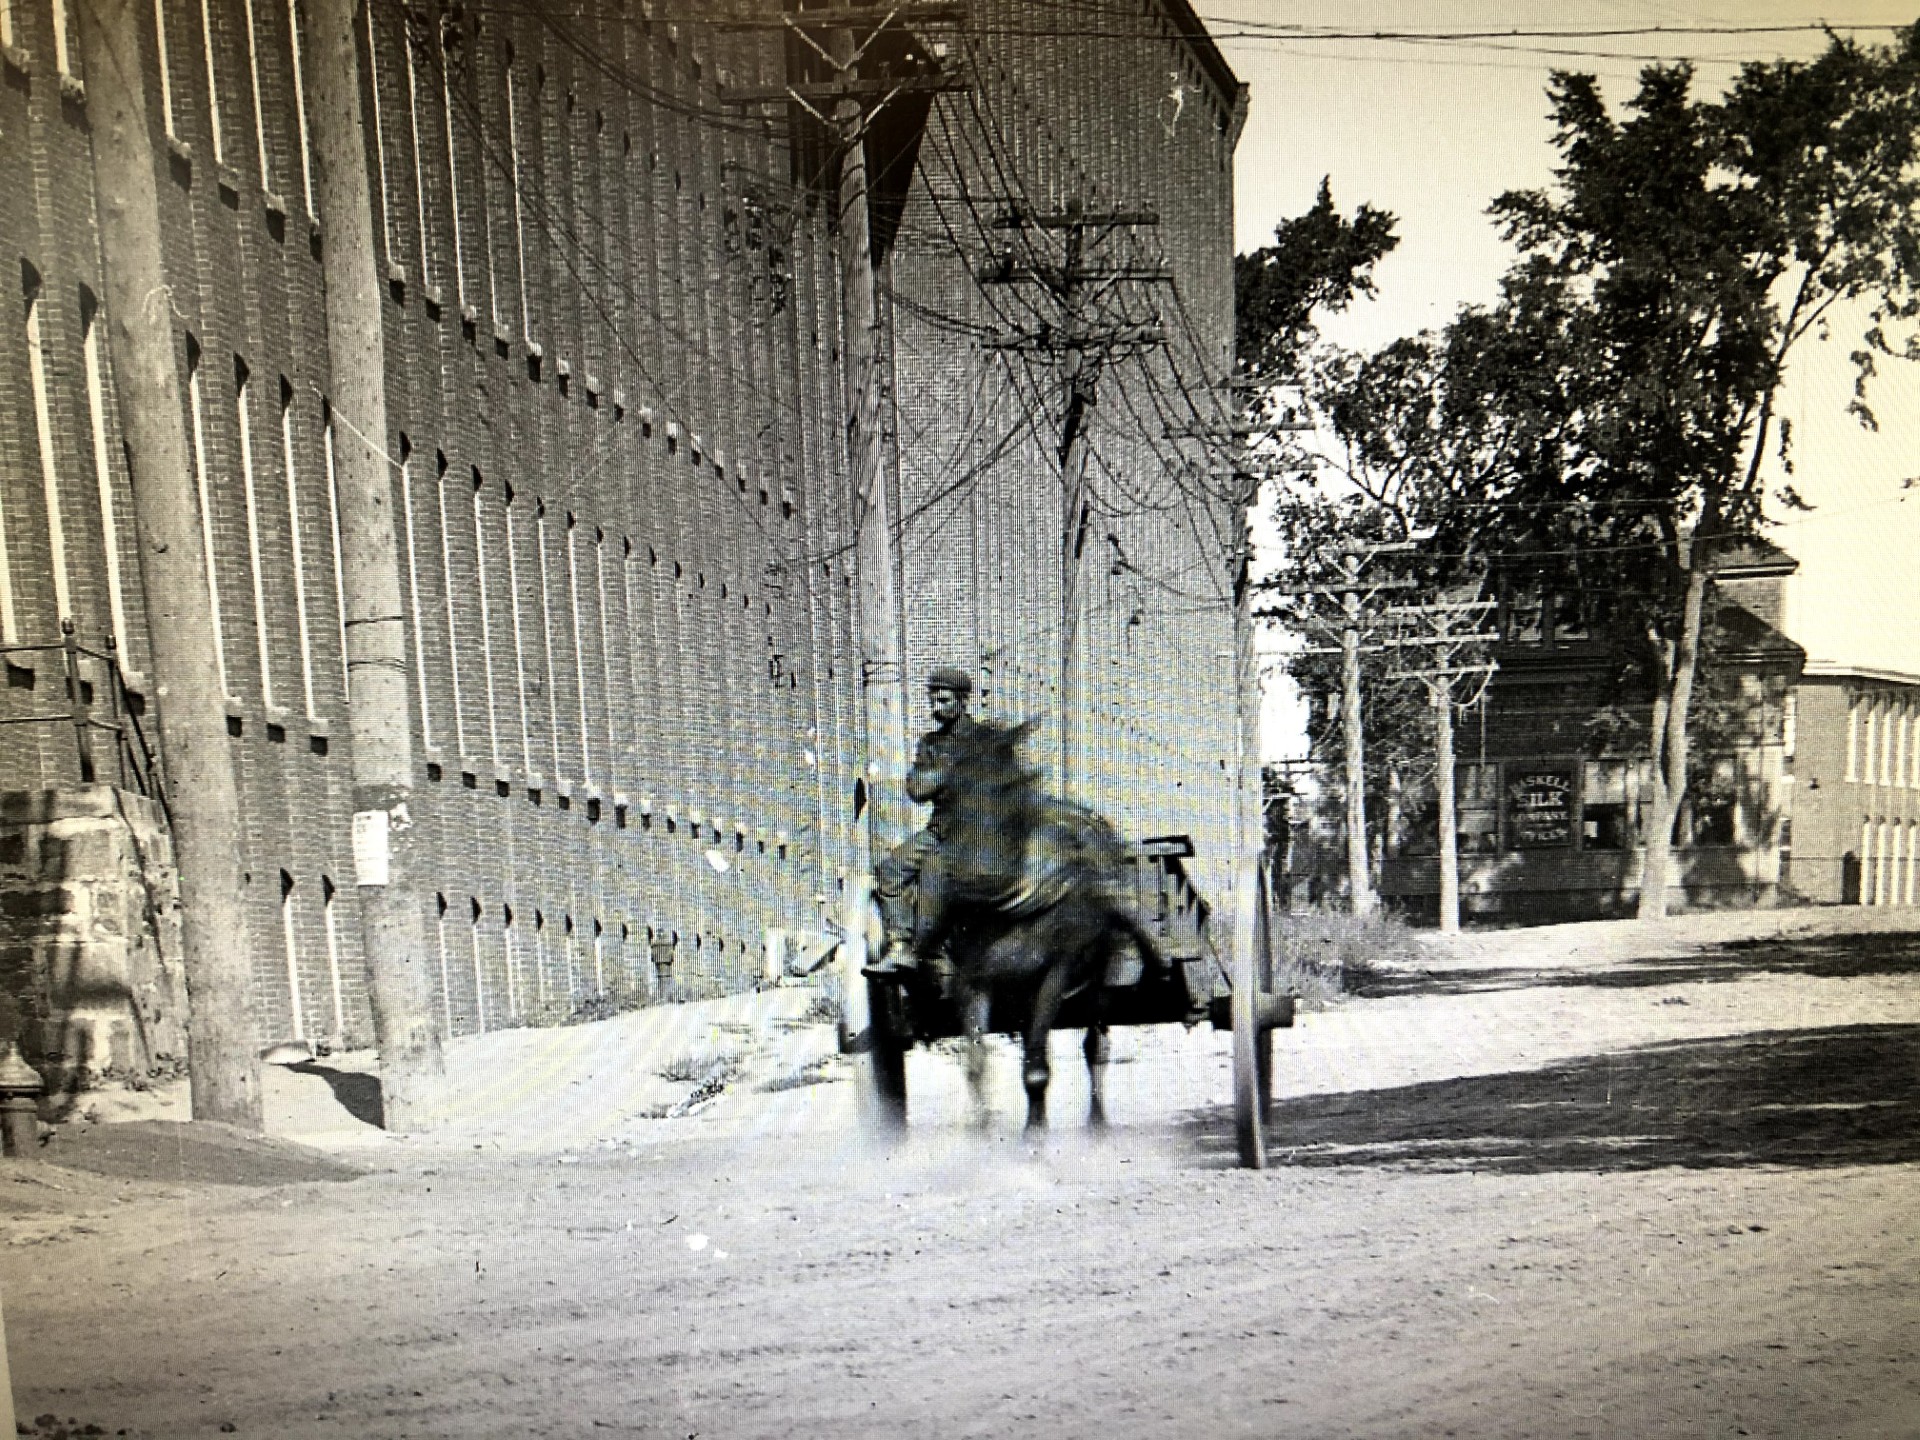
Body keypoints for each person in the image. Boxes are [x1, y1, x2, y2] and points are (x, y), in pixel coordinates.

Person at [864, 666, 979, 977]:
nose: (936, 708)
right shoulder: (930, 744)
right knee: (890, 870)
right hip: (938, 832)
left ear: (963, 701)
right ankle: (900, 946)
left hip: (978, 833)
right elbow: (916, 789)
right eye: (933, 701)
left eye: (943, 701)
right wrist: (948, 771)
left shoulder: (983, 740)